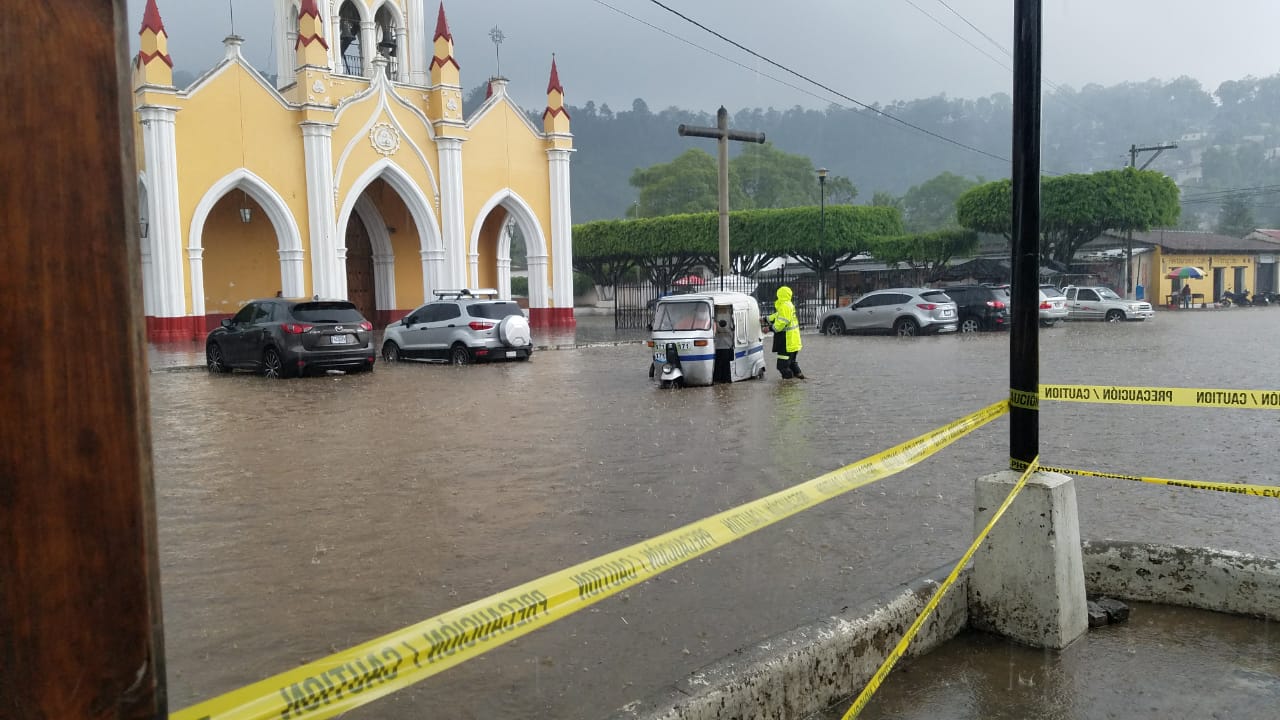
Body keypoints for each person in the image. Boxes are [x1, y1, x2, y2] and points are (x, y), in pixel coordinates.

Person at [767, 286, 804, 379]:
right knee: (791, 363)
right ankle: (800, 377)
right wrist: (766, 319)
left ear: (780, 295)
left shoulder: (784, 306)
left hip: (786, 341)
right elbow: (778, 315)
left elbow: (782, 322)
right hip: (793, 341)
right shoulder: (788, 305)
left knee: (782, 366)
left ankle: (788, 385)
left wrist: (770, 328)